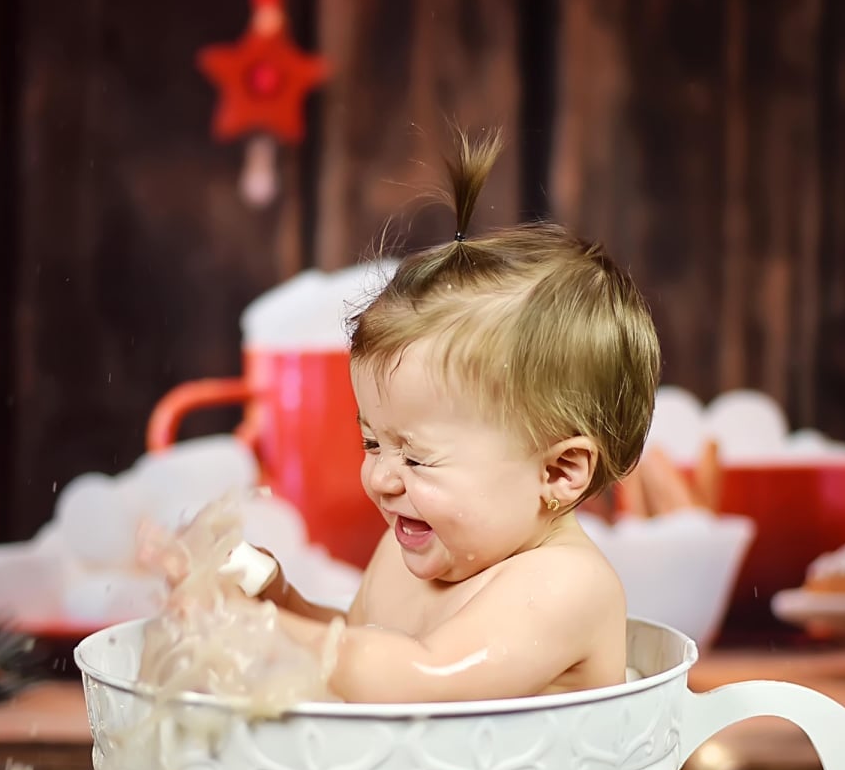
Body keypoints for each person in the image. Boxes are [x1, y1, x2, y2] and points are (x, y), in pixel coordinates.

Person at [249, 130, 661, 703]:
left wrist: (267, 636)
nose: (381, 478)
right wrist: (281, 603)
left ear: (559, 472)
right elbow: (360, 649)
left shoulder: (565, 585)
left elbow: (419, 677)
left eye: (416, 456)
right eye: (372, 443)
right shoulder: (409, 546)